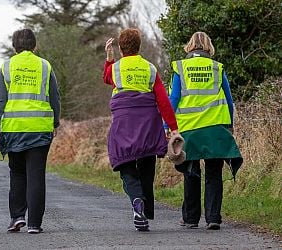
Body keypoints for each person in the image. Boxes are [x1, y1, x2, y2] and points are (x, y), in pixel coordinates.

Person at [103, 28, 179, 231]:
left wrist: (109, 59)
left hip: (124, 123)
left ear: (120, 48)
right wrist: (174, 129)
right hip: (148, 124)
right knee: (146, 164)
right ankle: (144, 209)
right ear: (139, 46)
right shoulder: (150, 68)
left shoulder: (116, 68)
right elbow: (163, 100)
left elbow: (106, 78)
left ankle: (137, 200)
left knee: (125, 164)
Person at [0, 28, 61, 234]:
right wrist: (55, 122)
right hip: (40, 128)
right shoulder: (45, 66)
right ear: (35, 45)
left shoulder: (8, 66)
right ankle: (35, 224)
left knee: (17, 173)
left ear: (14, 46)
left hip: (14, 129)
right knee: (36, 175)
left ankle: (17, 217)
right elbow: (55, 96)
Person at [167, 31, 242, 230]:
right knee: (214, 173)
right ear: (208, 47)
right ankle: (213, 218)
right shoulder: (217, 68)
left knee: (191, 172)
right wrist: (230, 125)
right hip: (215, 127)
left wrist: (167, 126)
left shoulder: (180, 67)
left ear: (189, 46)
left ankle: (191, 219)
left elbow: (173, 99)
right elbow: (229, 99)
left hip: (189, 129)